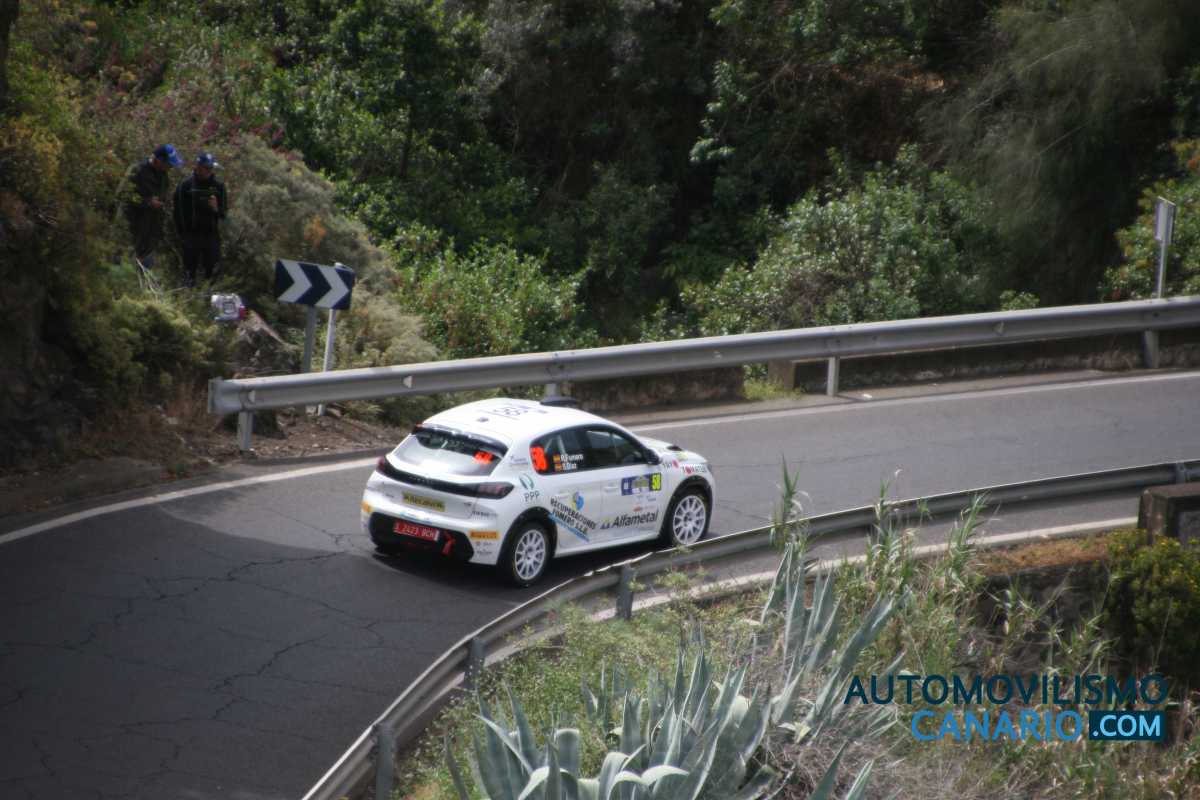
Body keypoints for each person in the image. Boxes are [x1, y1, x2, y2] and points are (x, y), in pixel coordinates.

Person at [123, 143, 183, 269]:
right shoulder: (138, 170)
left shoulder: (164, 177)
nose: (171, 167)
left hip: (150, 234)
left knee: (145, 269)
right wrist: (147, 202)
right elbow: (123, 195)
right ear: (159, 160)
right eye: (169, 164)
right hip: (131, 229)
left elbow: (162, 200)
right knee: (124, 267)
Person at [173, 152, 228, 287]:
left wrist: (216, 208)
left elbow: (223, 213)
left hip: (211, 234)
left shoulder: (219, 186)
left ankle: (209, 295)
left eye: (211, 168)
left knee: (213, 270)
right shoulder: (185, 186)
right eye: (206, 168)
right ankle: (188, 294)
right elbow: (178, 213)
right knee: (189, 271)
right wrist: (182, 234)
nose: (209, 171)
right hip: (191, 235)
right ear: (198, 167)